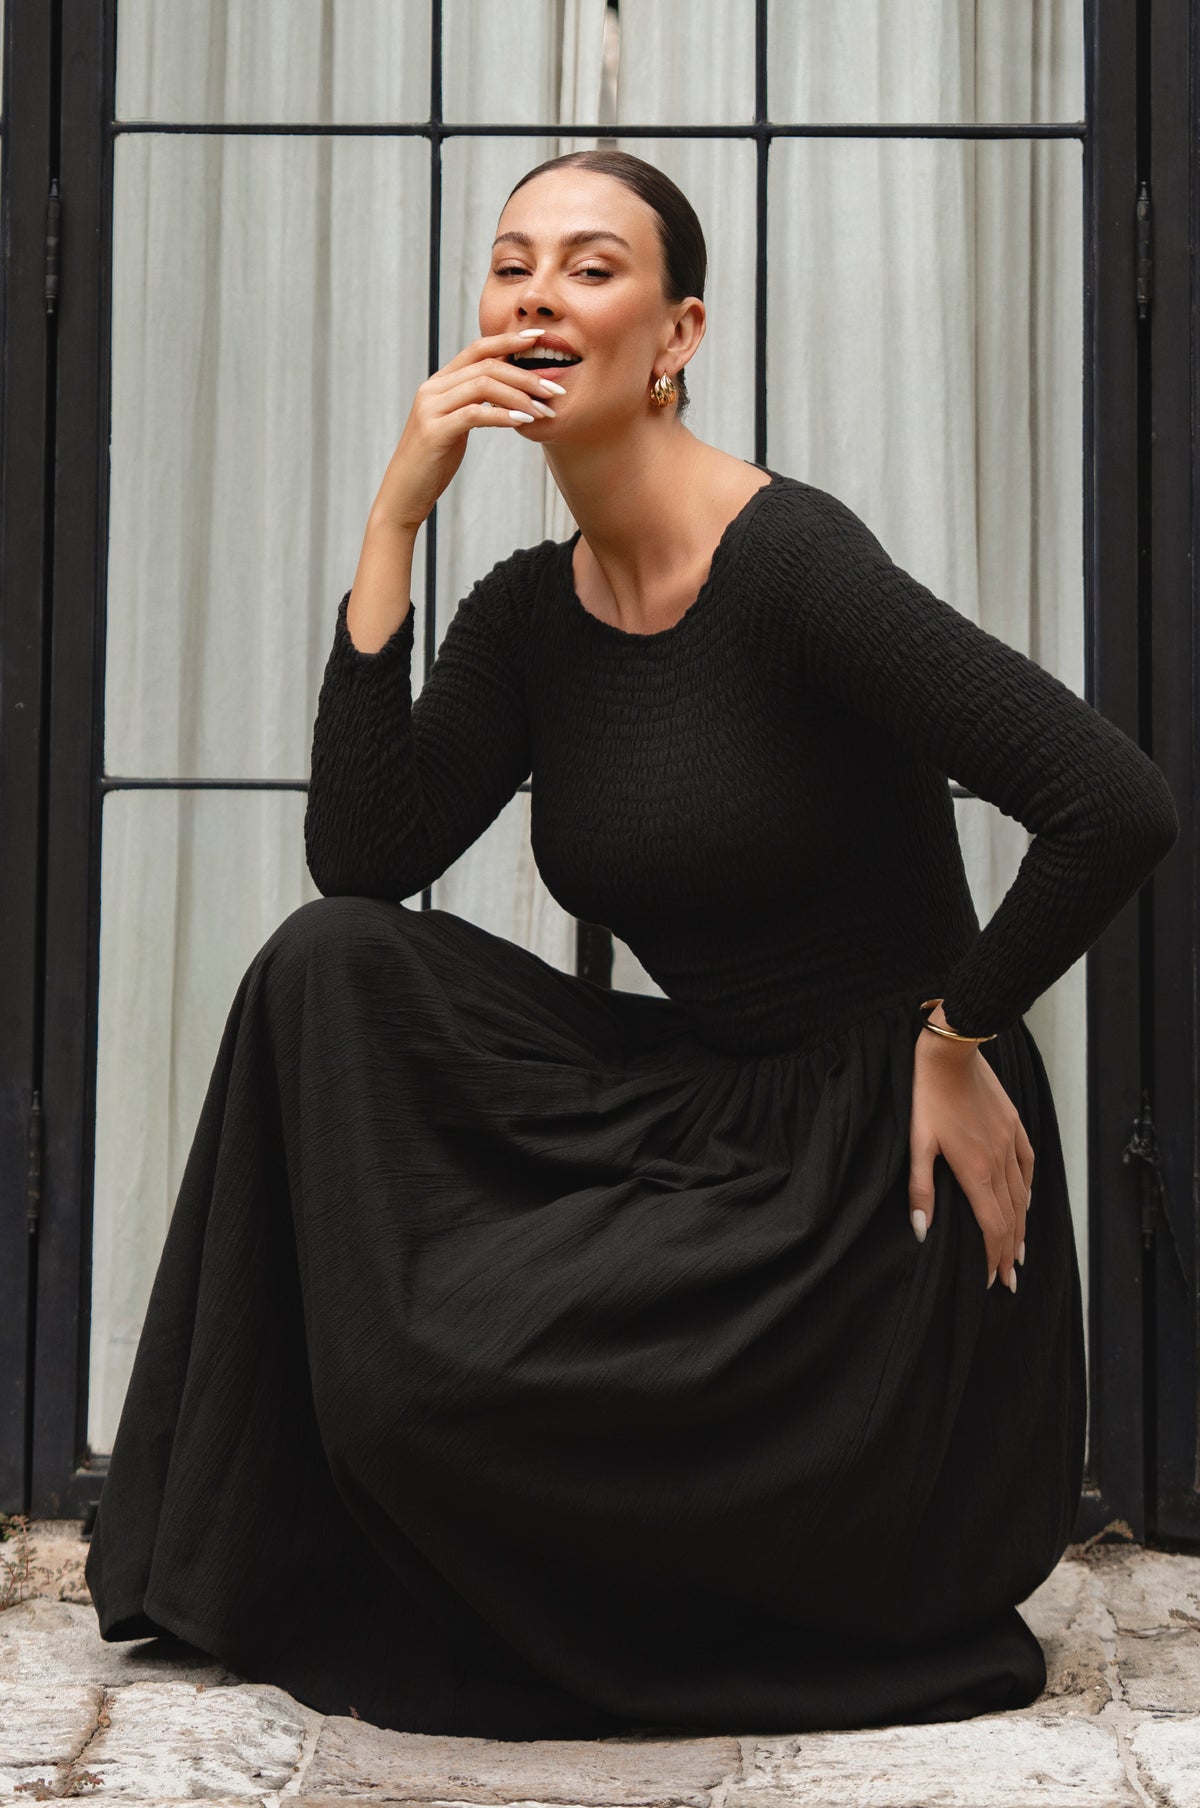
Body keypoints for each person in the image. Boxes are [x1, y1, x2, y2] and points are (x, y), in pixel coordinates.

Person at [85, 149, 1179, 1741]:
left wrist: (959, 1035)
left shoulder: (794, 564)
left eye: (591, 267)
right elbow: (365, 858)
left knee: (446, 1392)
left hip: (887, 1181)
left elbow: (1111, 800)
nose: (536, 292)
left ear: (678, 335)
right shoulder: (533, 612)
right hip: (711, 1116)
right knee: (327, 965)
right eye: (512, 262)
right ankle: (236, 1535)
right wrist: (398, 515)